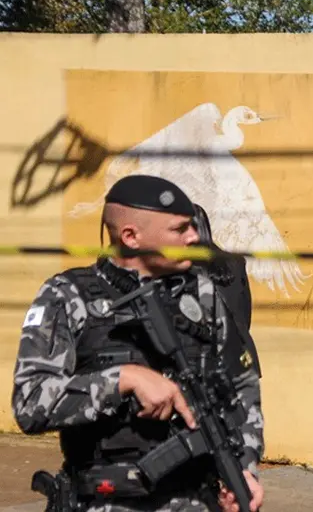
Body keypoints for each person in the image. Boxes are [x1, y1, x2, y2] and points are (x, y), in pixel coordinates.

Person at [11, 174, 265, 512]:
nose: (194, 237)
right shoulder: (68, 296)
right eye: (180, 229)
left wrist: (244, 468)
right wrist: (122, 380)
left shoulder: (203, 296)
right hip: (107, 501)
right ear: (131, 237)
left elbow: (242, 387)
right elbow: (30, 403)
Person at [191, 203, 262, 378]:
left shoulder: (182, 268)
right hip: (240, 355)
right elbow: (244, 315)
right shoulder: (235, 262)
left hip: (206, 362)